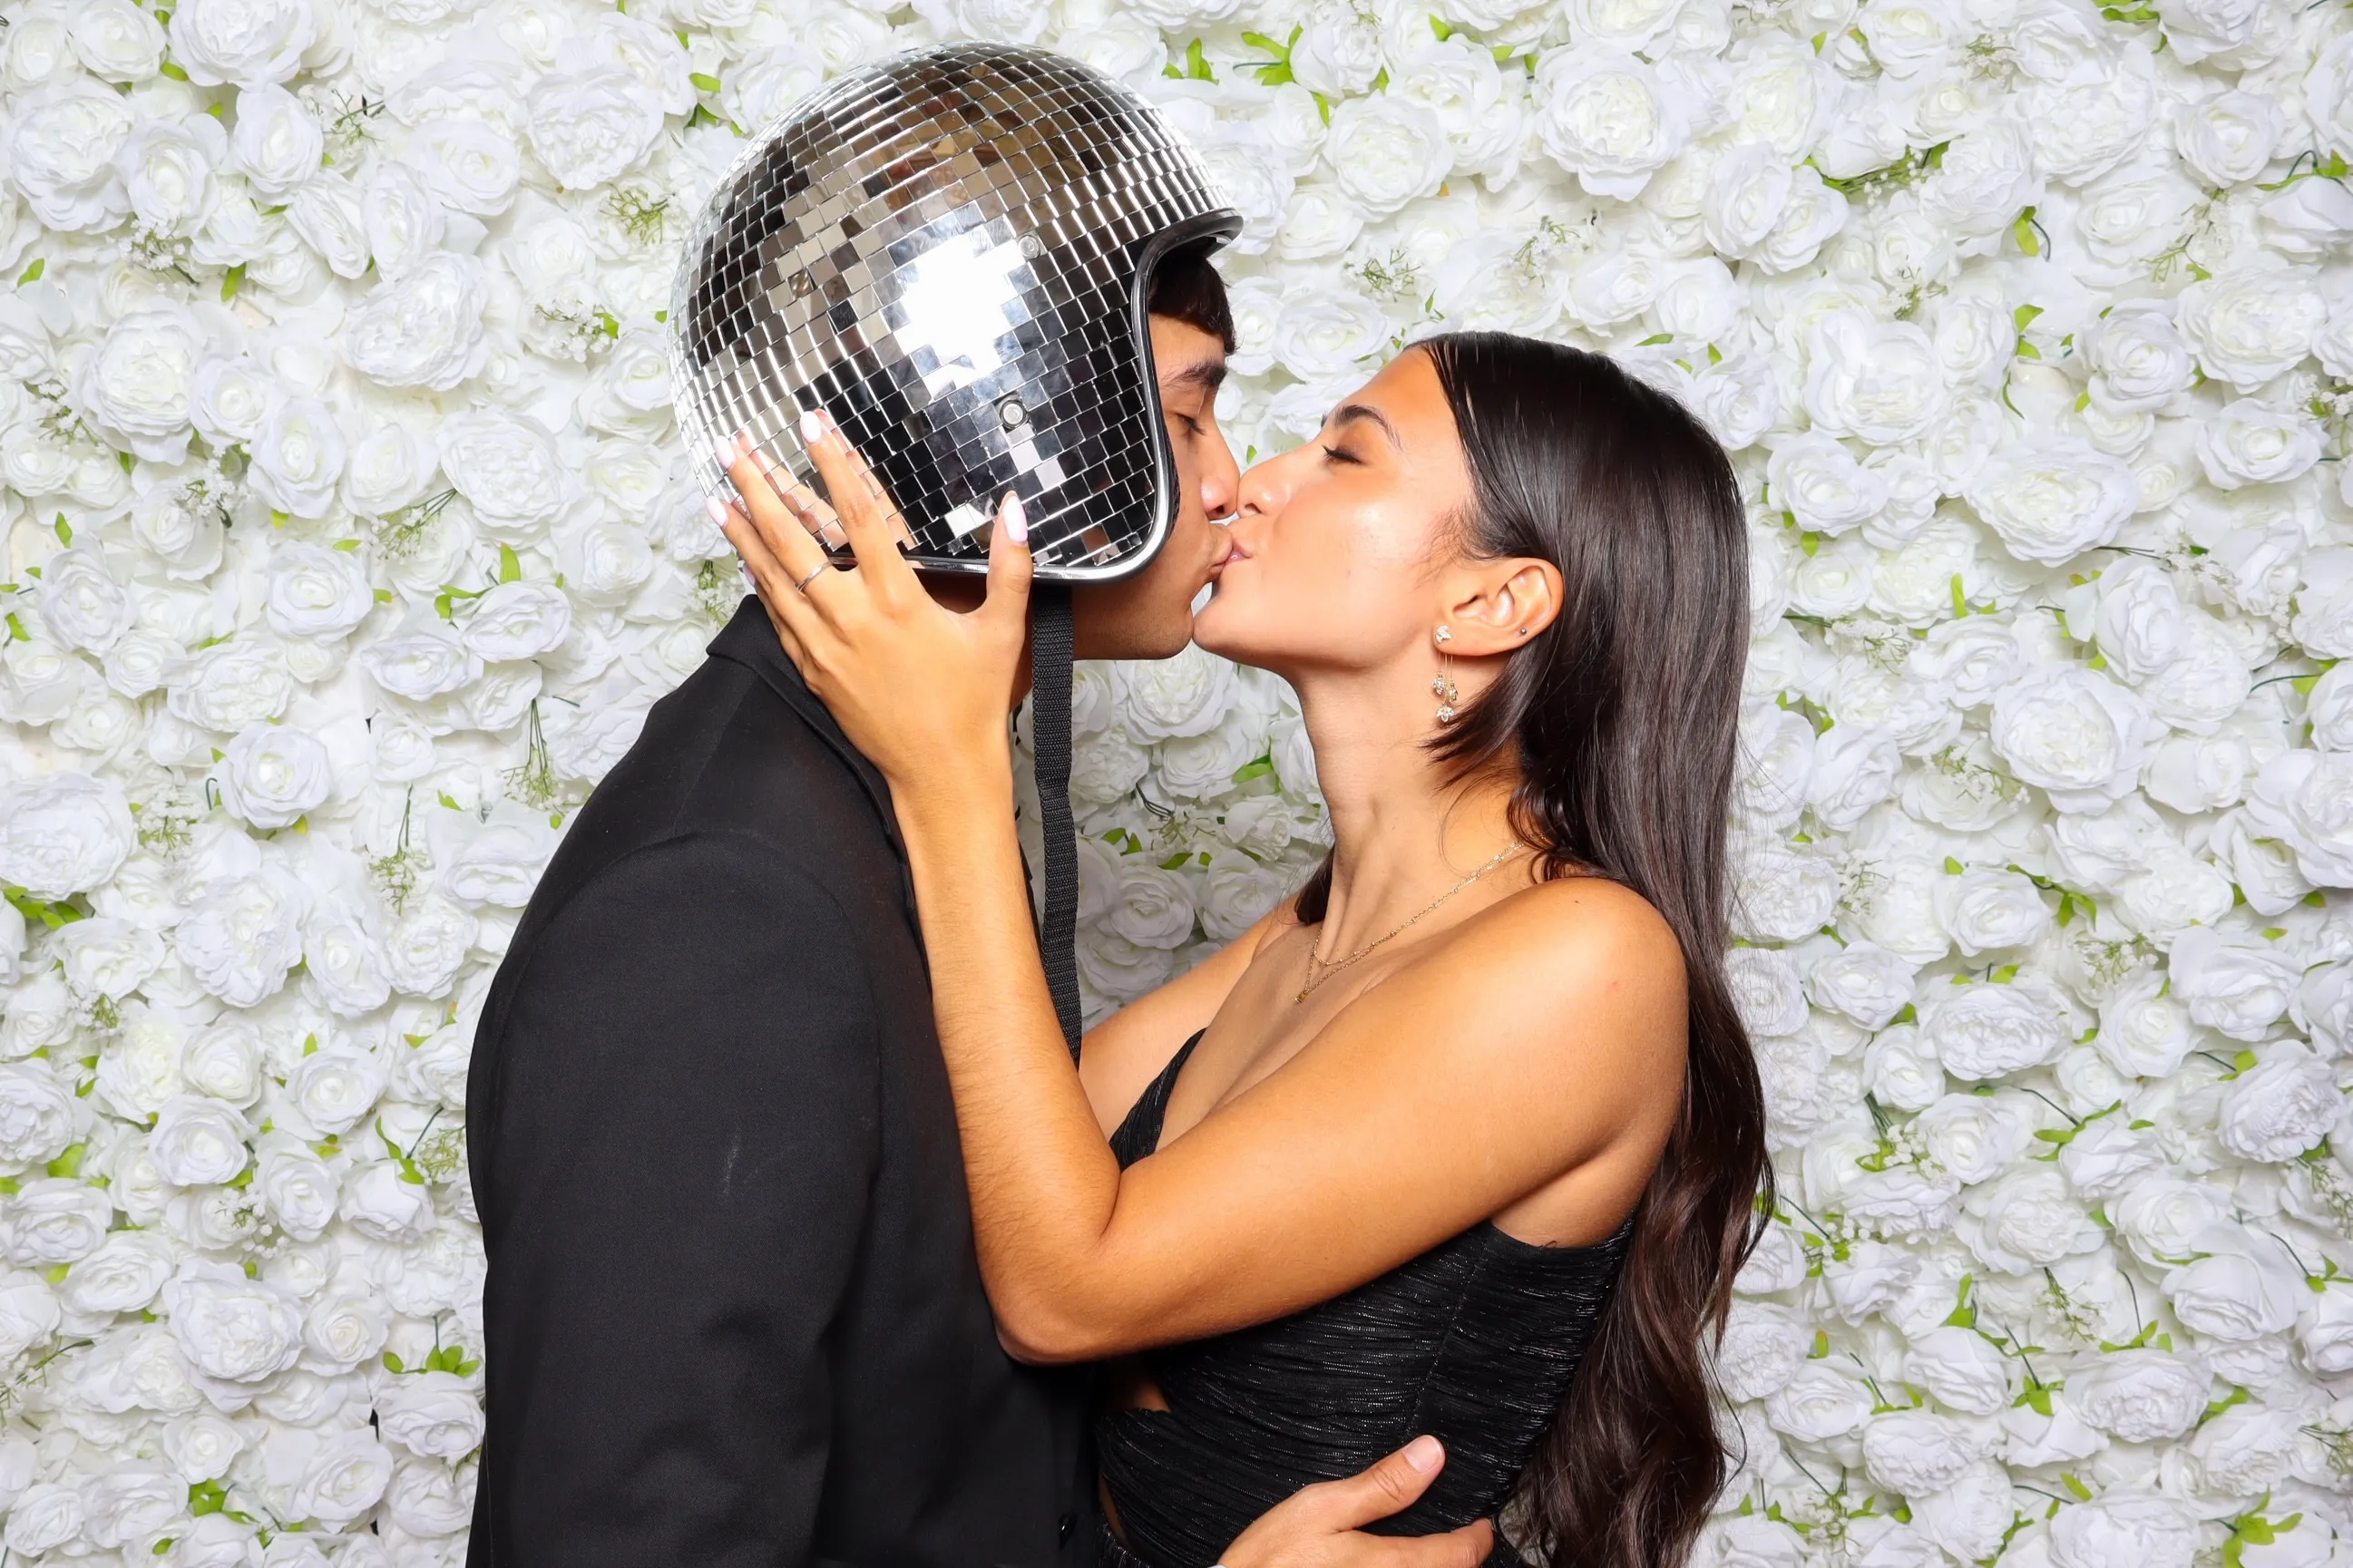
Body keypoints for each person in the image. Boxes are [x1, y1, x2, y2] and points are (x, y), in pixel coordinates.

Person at [464, 249, 1497, 1568]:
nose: (1234, 480)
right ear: (1000, 449)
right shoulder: (723, 907)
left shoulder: (876, 795)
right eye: (1188, 417)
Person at [714, 329, 1774, 1568]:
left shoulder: (1585, 961)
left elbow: (1067, 1290)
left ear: (1489, 603)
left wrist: (947, 770)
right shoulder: (1311, 931)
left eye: (1343, 454)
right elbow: (971, 1192)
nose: (1252, 480)